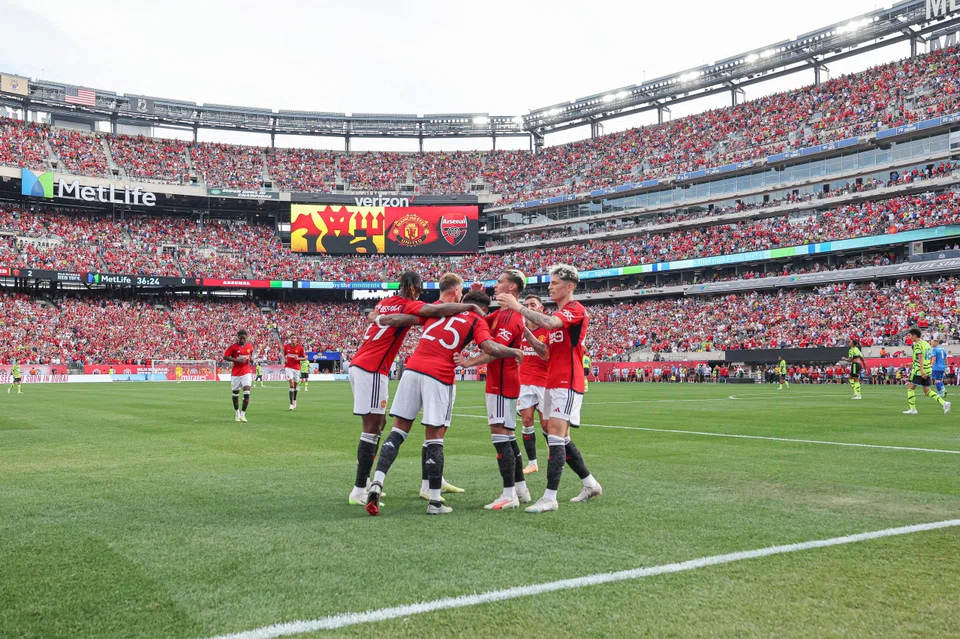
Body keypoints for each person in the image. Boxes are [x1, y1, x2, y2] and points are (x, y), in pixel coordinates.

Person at [365, 287, 522, 516]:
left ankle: (377, 482)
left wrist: (378, 318)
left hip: (412, 370)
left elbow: (402, 319)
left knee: (398, 431)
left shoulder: (440, 312)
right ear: (484, 308)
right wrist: (514, 352)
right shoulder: (478, 320)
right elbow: (489, 348)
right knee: (435, 437)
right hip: (438, 375)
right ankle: (435, 502)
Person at [347, 271, 484, 507]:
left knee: (380, 426)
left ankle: (375, 482)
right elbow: (434, 311)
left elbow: (386, 317)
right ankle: (360, 488)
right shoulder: (411, 305)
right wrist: (469, 305)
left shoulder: (384, 303)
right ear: (417, 288)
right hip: (373, 367)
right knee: (372, 430)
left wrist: (376, 317)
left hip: (363, 363)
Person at [497, 264, 602, 514]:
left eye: (554, 283)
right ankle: (590, 484)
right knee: (560, 438)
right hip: (552, 382)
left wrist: (518, 307)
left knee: (554, 436)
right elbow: (545, 353)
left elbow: (552, 323)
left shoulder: (574, 310)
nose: (550, 287)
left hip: (567, 382)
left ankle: (549, 498)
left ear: (569, 286)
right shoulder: (561, 313)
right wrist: (526, 332)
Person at [454, 270, 531, 511]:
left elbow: (494, 349)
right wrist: (475, 295)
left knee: (500, 436)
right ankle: (520, 489)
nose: (495, 286)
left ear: (512, 288)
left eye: (500, 282)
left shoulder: (511, 317)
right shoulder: (501, 313)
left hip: (501, 382)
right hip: (503, 381)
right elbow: (477, 317)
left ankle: (508, 494)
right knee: (508, 436)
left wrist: (468, 362)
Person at [517, 294, 550, 475]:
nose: (529, 307)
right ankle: (532, 462)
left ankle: (552, 450)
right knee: (527, 420)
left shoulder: (548, 330)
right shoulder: (518, 329)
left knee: (546, 424)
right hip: (524, 382)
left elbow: (546, 355)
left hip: (545, 382)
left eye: (533, 304)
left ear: (541, 309)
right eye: (526, 304)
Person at [903, 328, 951, 415]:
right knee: (927, 390)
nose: (909, 337)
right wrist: (912, 363)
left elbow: (920, 357)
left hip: (918, 370)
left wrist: (921, 370)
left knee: (910, 387)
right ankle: (944, 403)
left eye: (910, 335)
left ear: (914, 335)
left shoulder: (917, 345)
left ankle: (913, 409)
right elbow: (925, 358)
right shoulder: (926, 344)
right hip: (927, 368)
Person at [223, 329, 255, 422]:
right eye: (240, 338)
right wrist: (236, 360)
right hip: (236, 373)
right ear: (238, 337)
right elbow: (225, 356)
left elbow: (251, 353)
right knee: (235, 394)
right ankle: (237, 412)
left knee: (247, 391)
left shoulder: (249, 345)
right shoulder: (233, 347)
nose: (242, 340)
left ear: (246, 338)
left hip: (246, 371)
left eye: (244, 338)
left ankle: (243, 414)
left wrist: (251, 359)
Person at [283, 338, 307, 410]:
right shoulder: (286, 347)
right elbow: (284, 355)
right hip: (288, 367)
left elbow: (305, 357)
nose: (293, 339)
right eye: (292, 338)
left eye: (294, 338)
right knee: (291, 384)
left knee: (296, 385)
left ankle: (294, 399)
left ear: (296, 339)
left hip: (297, 368)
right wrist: (285, 359)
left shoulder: (300, 347)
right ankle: (290, 404)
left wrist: (299, 359)